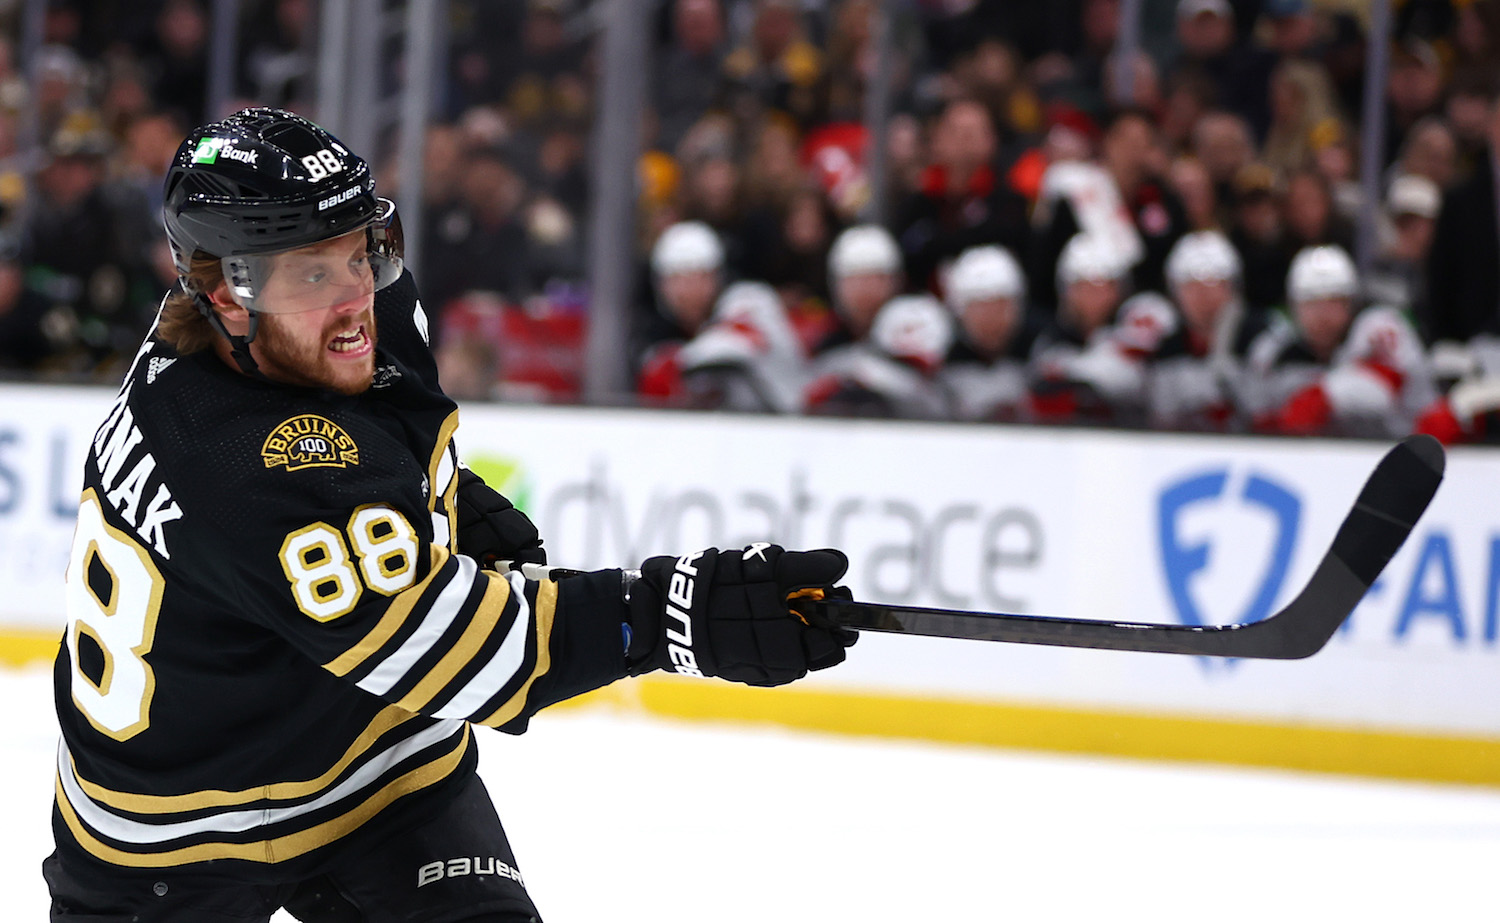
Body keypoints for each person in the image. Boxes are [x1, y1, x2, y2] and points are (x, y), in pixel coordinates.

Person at [45, 108, 856, 923]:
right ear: (225, 296)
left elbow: (381, 440)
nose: (356, 298)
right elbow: (461, 654)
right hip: (171, 837)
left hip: (380, 772)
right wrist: (674, 616)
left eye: (358, 250)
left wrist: (439, 500)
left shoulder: (348, 321)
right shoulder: (230, 459)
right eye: (312, 274)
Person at [1245, 244, 1434, 437]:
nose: (1323, 314)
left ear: (1351, 303)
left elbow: (1385, 391)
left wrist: (1324, 395)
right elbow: (1260, 425)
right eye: (1311, 302)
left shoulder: (1377, 330)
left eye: (1334, 301)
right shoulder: (1271, 353)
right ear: (1293, 306)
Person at [1112, 230, 1266, 431]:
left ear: (1232, 288)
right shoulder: (1164, 345)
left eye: (1213, 283)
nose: (1203, 296)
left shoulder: (1260, 338)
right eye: (1191, 286)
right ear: (1175, 292)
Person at [938, 244, 1037, 422]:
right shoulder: (942, 367)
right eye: (981, 308)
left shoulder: (1041, 359)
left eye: (1000, 306)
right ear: (960, 311)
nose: (992, 319)